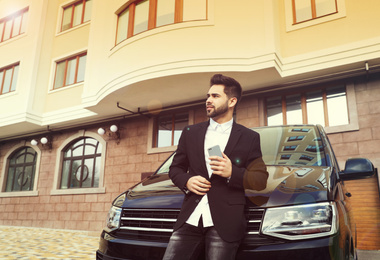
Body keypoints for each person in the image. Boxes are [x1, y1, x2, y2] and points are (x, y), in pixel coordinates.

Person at [163, 74, 268, 260]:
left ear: (232, 101)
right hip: (190, 218)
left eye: (215, 96)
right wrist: (187, 180)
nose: (208, 100)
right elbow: (175, 169)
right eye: (208, 96)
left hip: (226, 224)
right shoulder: (190, 133)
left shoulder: (249, 137)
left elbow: (260, 179)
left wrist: (232, 173)